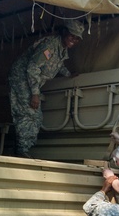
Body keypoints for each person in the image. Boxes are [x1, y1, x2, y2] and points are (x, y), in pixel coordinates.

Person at [7, 20, 84, 157]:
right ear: (64, 32)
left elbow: (56, 65)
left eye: (77, 38)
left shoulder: (61, 48)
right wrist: (35, 94)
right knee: (31, 114)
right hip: (22, 79)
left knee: (32, 114)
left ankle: (19, 148)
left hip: (30, 81)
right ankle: (21, 150)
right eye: (72, 35)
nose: (74, 40)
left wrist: (69, 74)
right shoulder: (49, 46)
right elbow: (32, 67)